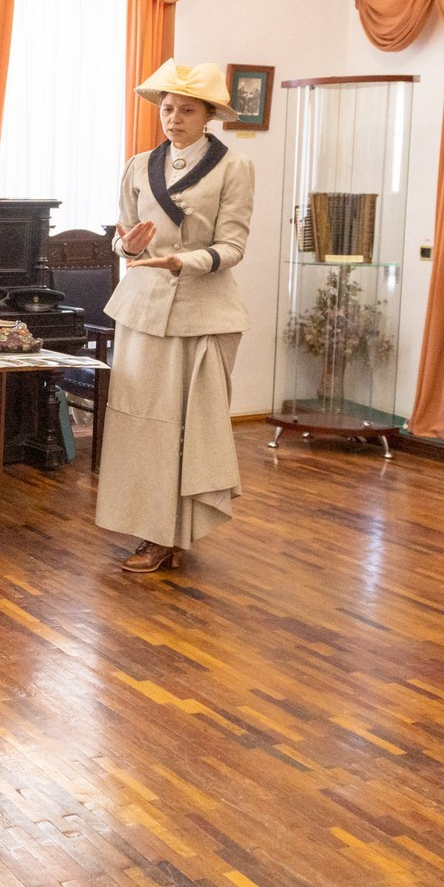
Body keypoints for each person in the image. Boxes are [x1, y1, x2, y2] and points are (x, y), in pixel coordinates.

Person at [96, 61, 254, 574]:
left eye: (187, 109)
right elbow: (123, 236)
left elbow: (233, 246)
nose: (174, 117)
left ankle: (173, 534)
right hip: (142, 308)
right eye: (167, 108)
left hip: (203, 312)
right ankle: (148, 529)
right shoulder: (138, 165)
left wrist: (181, 261)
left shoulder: (234, 168)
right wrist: (127, 244)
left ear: (208, 115)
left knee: (189, 426)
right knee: (141, 425)